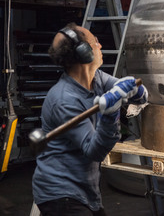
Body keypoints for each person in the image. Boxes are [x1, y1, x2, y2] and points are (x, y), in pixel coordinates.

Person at [32, 23, 148, 216]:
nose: (100, 46)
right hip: (61, 194)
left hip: (86, 190)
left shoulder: (97, 78)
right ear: (84, 52)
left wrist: (136, 91)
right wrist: (110, 115)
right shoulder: (64, 99)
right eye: (96, 41)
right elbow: (94, 151)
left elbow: (130, 91)